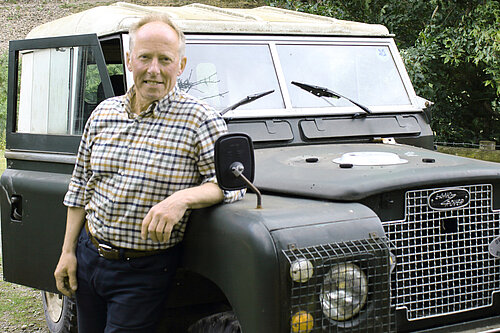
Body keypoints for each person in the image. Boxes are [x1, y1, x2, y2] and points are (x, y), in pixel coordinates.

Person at [54, 14, 243, 333]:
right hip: (89, 256)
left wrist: (181, 200)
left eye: (165, 59)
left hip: (143, 270)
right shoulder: (103, 113)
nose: (153, 69)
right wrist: (67, 252)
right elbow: (80, 188)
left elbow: (230, 185)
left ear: (180, 65)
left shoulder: (200, 120)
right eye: (145, 57)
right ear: (129, 60)